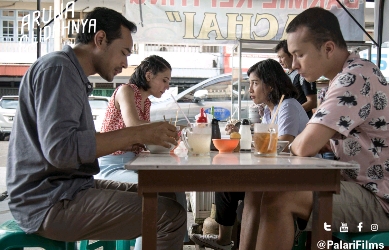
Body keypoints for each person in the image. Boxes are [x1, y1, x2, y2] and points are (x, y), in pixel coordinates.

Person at [6, 7, 186, 249]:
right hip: (48, 201)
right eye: (124, 52)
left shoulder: (69, 73)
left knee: (168, 196)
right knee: (169, 215)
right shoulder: (59, 69)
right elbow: (60, 151)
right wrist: (139, 133)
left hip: (70, 187)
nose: (125, 63)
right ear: (100, 39)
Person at [240, 7, 389, 250]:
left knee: (279, 198)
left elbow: (305, 146)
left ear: (328, 48)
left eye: (299, 55)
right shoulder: (345, 76)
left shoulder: (354, 78)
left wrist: (303, 142)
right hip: (358, 185)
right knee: (257, 190)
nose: (293, 65)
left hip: (384, 198)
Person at [190, 59, 309, 250]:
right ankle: (227, 241)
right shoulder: (270, 111)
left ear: (270, 85)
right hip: (276, 171)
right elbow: (266, 145)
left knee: (247, 188)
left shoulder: (288, 106)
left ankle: (226, 241)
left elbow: (283, 145)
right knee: (231, 182)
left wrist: (249, 141)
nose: (250, 89)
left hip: (294, 175)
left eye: (255, 83)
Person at [95, 55, 188, 248]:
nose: (167, 87)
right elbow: (133, 127)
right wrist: (163, 129)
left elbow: (143, 137)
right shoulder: (126, 90)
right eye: (164, 80)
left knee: (176, 188)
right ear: (148, 75)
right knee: (155, 194)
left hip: (132, 164)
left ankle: (174, 243)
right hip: (112, 166)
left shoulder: (146, 102)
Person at [275, 39, 317, 119]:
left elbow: (312, 102)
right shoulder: (286, 75)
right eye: (279, 57)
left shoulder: (303, 74)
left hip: (302, 120)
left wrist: (292, 113)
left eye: (282, 57)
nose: (280, 61)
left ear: (292, 55)